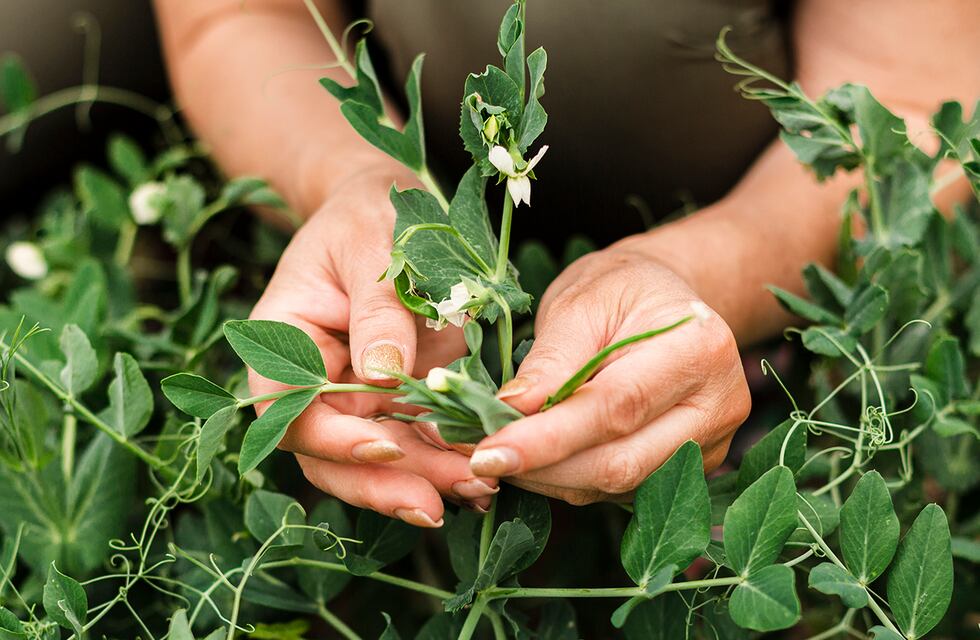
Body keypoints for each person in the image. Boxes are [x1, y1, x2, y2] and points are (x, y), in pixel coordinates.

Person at [153, 0, 980, 527]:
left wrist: (709, 274)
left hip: (752, 248)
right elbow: (231, 15)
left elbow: (910, 103)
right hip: (441, 248)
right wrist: (354, 180)